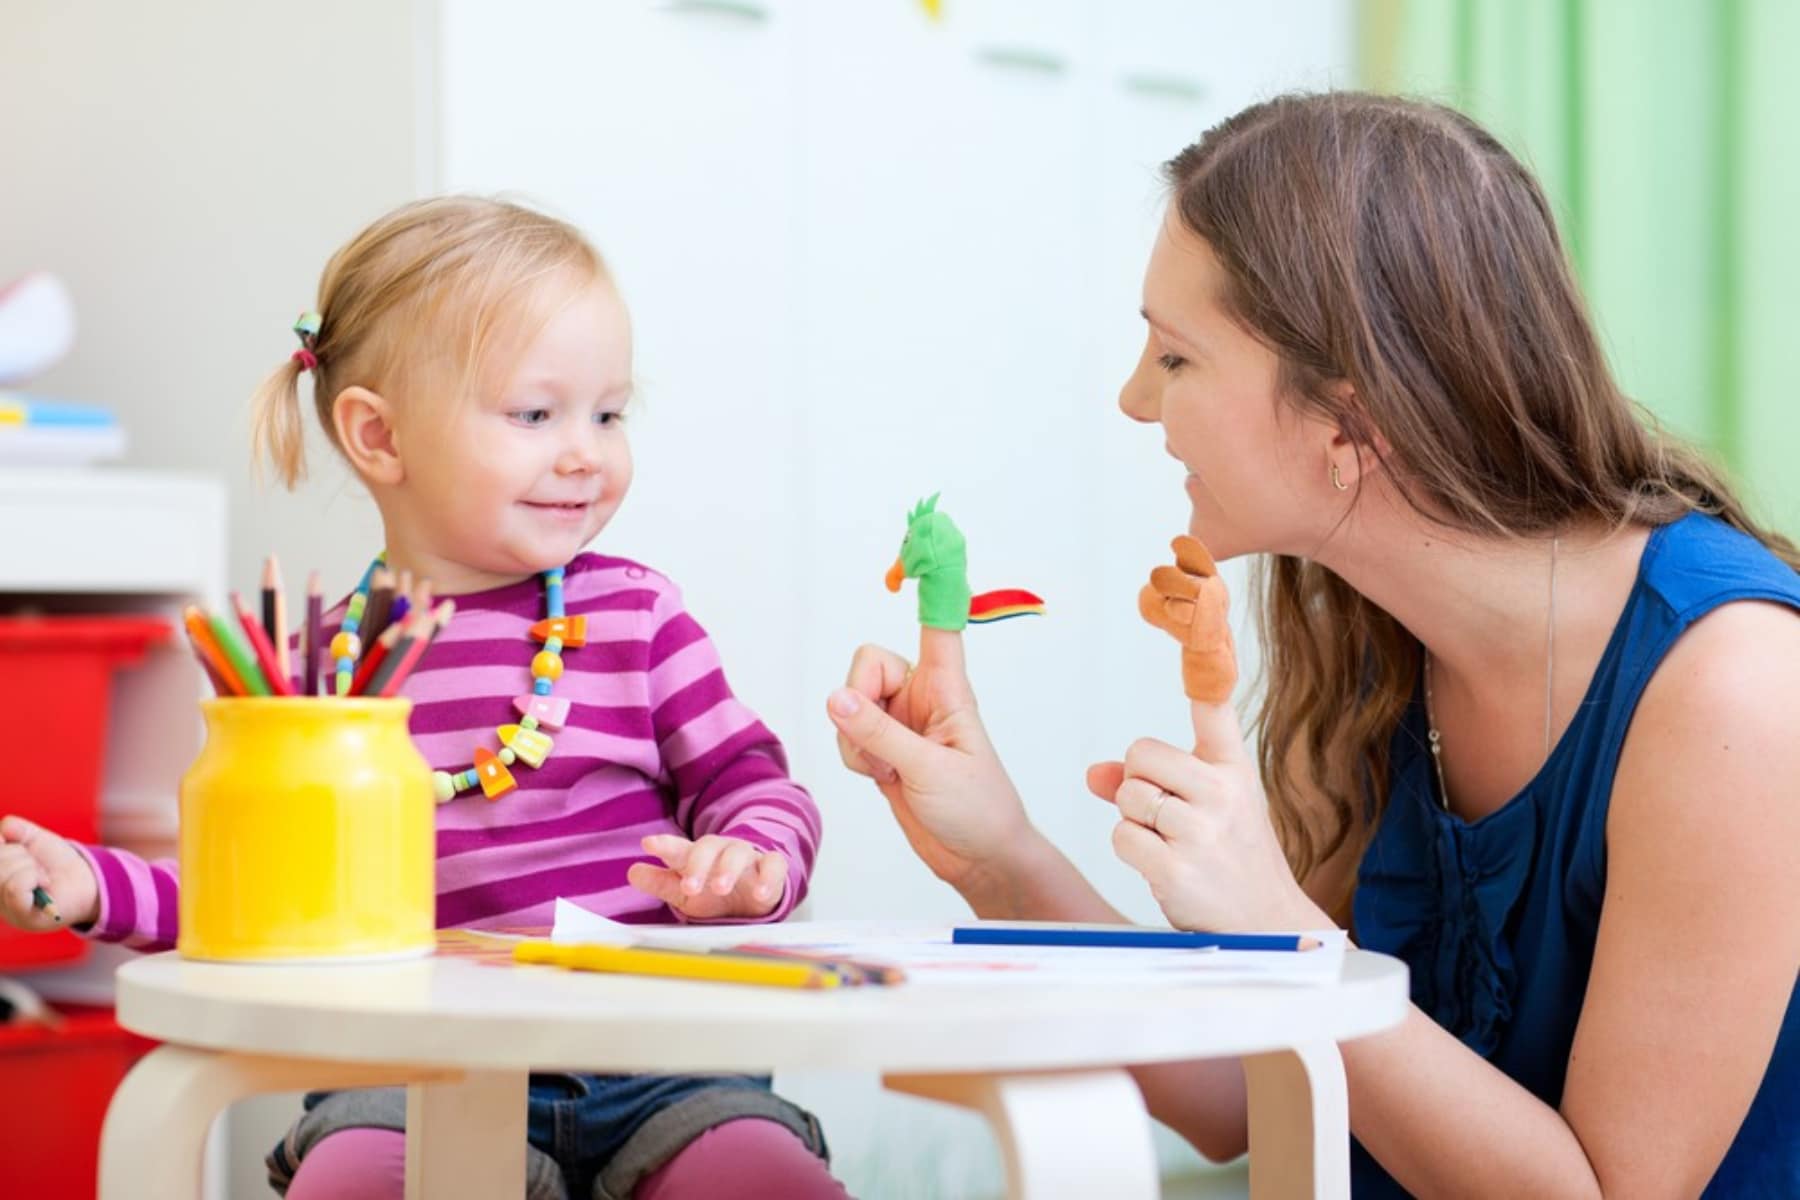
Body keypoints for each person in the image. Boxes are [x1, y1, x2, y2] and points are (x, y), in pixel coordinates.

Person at [827, 92, 1800, 1197]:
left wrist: (1277, 924)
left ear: (1350, 416)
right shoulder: (1367, 636)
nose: (1134, 400)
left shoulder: (1733, 689)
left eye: (1177, 358)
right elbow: (1243, 1095)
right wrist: (997, 854)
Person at [0, 196, 843, 1200]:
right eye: (537, 415)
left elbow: (755, 784)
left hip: (663, 1063)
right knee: (351, 1185)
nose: (586, 451)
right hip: (408, 1073)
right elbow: (257, 903)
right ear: (379, 438)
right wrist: (95, 888)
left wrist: (752, 860)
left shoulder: (638, 617)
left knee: (760, 1182)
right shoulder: (317, 677)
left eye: (609, 413)